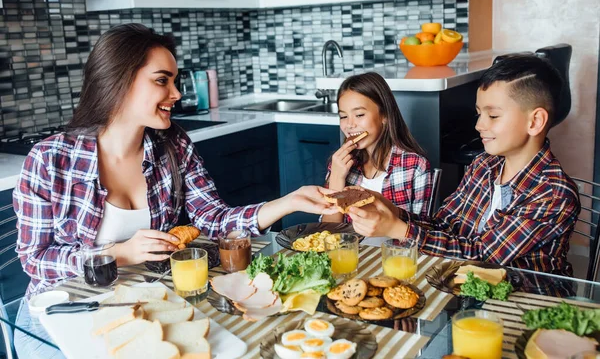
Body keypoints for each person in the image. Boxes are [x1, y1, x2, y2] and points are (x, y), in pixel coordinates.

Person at [13, 23, 336, 359]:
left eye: (174, 81)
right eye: (161, 80)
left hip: (140, 302)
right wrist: (120, 253)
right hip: (64, 312)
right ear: (119, 81)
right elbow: (37, 261)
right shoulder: (51, 159)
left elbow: (212, 218)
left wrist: (287, 203)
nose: (177, 93)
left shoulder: (173, 144)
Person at [347, 55, 580, 295]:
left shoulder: (552, 194)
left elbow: (482, 257)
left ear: (535, 121)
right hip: (470, 291)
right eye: (479, 113)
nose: (479, 125)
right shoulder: (484, 165)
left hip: (527, 301)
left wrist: (399, 230)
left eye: (493, 115)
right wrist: (393, 212)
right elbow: (446, 224)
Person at [321, 72, 432, 245]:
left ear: (384, 116)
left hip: (394, 260)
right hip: (350, 257)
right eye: (343, 116)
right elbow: (327, 235)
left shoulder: (415, 166)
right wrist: (336, 178)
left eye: (359, 115)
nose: (350, 124)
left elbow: (421, 234)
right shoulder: (339, 165)